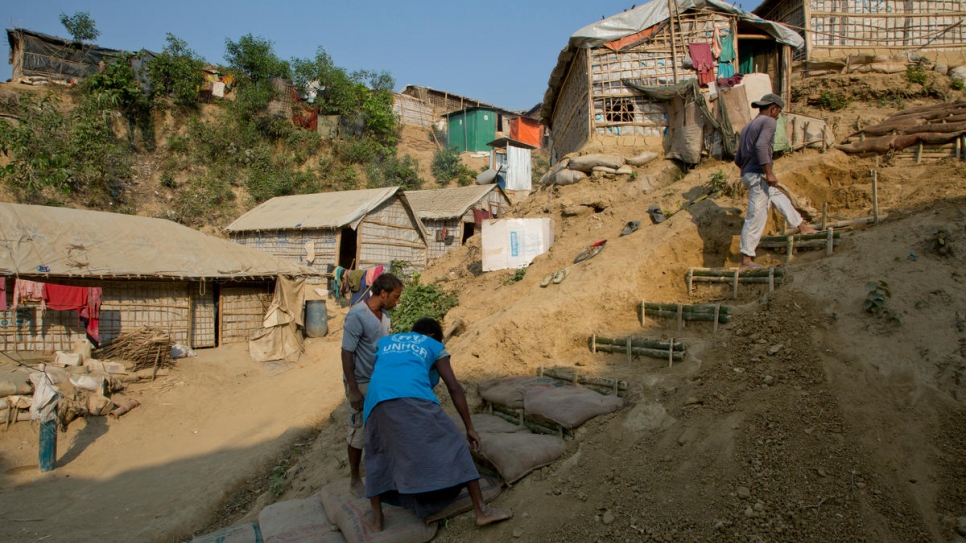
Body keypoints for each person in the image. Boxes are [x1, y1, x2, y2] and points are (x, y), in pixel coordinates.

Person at [361, 318, 512, 531]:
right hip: (414, 395)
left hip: (374, 402)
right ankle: (482, 511)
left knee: (378, 454)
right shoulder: (434, 345)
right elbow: (454, 388)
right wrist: (469, 427)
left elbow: (385, 373)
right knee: (456, 445)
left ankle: (376, 519)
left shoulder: (386, 342)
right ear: (433, 335)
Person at [734, 93, 816, 270]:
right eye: (778, 113)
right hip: (758, 174)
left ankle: (801, 226)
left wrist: (749, 171)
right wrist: (768, 172)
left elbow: (737, 158)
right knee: (756, 215)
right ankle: (746, 260)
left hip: (750, 173)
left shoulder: (748, 126)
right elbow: (761, 146)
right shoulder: (769, 122)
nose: (778, 116)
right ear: (774, 109)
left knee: (779, 197)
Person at [341, 272, 403, 497]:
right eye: (395, 296)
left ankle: (383, 472)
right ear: (383, 293)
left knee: (382, 426)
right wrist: (354, 389)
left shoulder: (385, 315)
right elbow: (346, 353)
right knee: (358, 430)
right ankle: (355, 479)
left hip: (378, 380)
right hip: (361, 382)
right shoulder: (357, 316)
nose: (397, 301)